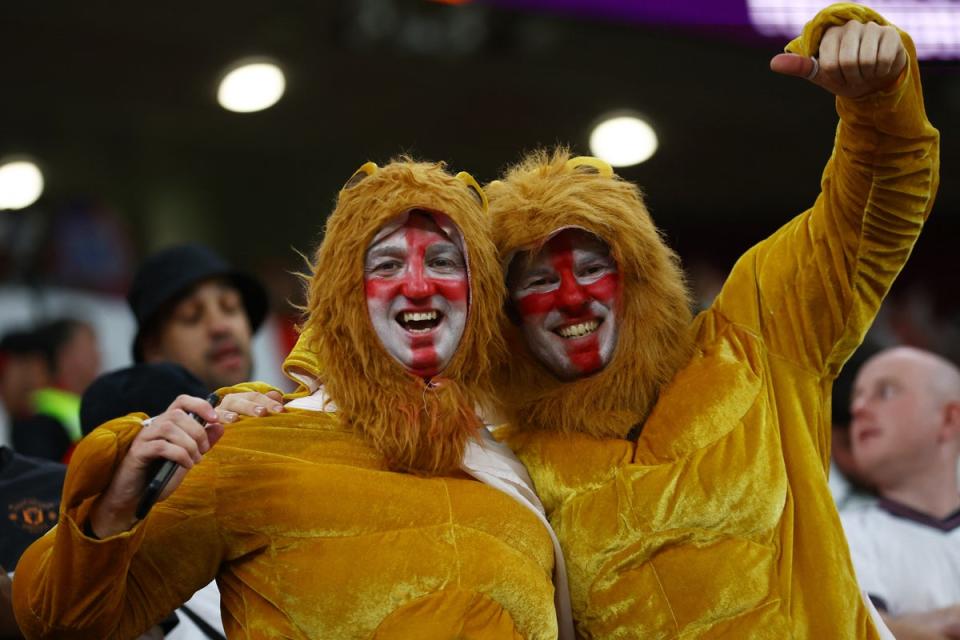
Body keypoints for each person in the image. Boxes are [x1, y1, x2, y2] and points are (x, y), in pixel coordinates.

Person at [484, 4, 937, 638]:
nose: (570, 297)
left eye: (591, 269)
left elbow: (870, 220)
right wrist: (295, 410)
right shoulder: (508, 462)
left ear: (637, 276)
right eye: (536, 281)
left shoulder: (753, 337)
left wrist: (879, 107)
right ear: (508, 315)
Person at [13, 159, 569, 639]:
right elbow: (65, 626)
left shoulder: (511, 470)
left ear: (478, 296)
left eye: (444, 263)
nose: (419, 285)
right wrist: (112, 511)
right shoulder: (251, 447)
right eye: (387, 264)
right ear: (343, 298)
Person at [842, 346, 960, 639]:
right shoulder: (839, 532)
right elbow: (849, 630)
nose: (858, 408)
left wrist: (905, 625)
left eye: (886, 392)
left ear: (949, 419)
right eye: (856, 396)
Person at [128, 244, 269, 393]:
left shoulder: (288, 410)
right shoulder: (130, 416)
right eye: (191, 315)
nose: (220, 327)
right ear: (153, 348)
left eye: (230, 306)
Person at [10, 319, 100, 462]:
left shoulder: (88, 401)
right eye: (89, 348)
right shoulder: (37, 411)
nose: (98, 356)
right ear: (65, 355)